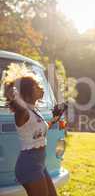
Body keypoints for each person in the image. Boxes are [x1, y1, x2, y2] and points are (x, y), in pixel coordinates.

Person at [3, 64, 63, 196]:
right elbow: (14, 97)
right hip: (29, 165)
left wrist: (53, 120)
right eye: (36, 86)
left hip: (39, 163)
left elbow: (39, 131)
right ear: (27, 91)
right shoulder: (23, 112)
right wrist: (13, 89)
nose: (41, 88)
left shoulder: (34, 112)